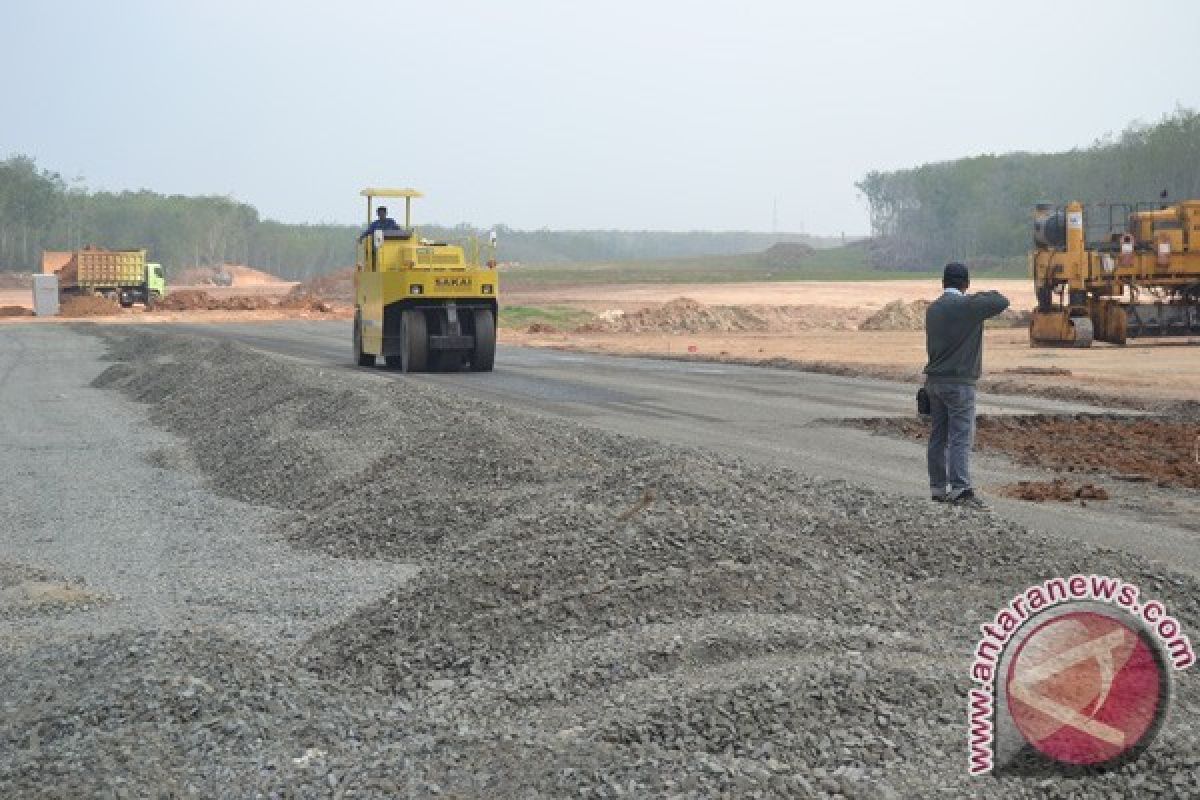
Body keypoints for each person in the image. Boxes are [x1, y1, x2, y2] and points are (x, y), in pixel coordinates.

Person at [924, 262, 1009, 508]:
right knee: (960, 437)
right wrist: (976, 295)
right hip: (960, 383)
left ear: (943, 283)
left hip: (934, 382)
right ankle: (960, 488)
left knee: (938, 437)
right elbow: (1001, 301)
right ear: (966, 284)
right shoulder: (967, 307)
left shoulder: (933, 309)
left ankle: (938, 488)